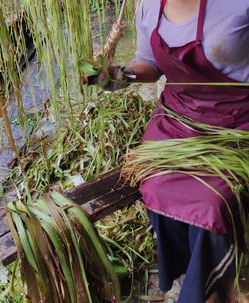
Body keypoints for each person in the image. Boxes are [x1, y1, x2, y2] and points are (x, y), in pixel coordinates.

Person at [88, 0, 249, 302]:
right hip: (178, 121)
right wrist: (121, 76)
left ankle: (210, 287)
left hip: (236, 124)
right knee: (156, 182)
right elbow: (149, 64)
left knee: (212, 203)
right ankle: (186, 271)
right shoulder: (147, 5)